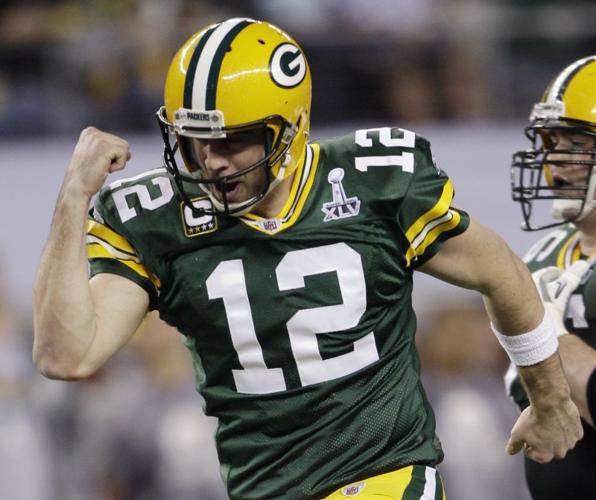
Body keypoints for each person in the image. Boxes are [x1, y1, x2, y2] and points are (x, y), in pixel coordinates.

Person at [33, 18, 582, 500]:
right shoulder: (157, 220)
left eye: (234, 141)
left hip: (388, 475)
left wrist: (550, 397)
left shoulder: (372, 184)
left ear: (292, 130)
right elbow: (67, 356)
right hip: (264, 485)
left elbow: (500, 271)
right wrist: (71, 199)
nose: (213, 162)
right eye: (196, 142)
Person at [508, 54, 596, 499]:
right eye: (550, 141)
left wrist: (553, 341)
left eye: (577, 142)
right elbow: (531, 401)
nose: (555, 160)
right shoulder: (547, 252)